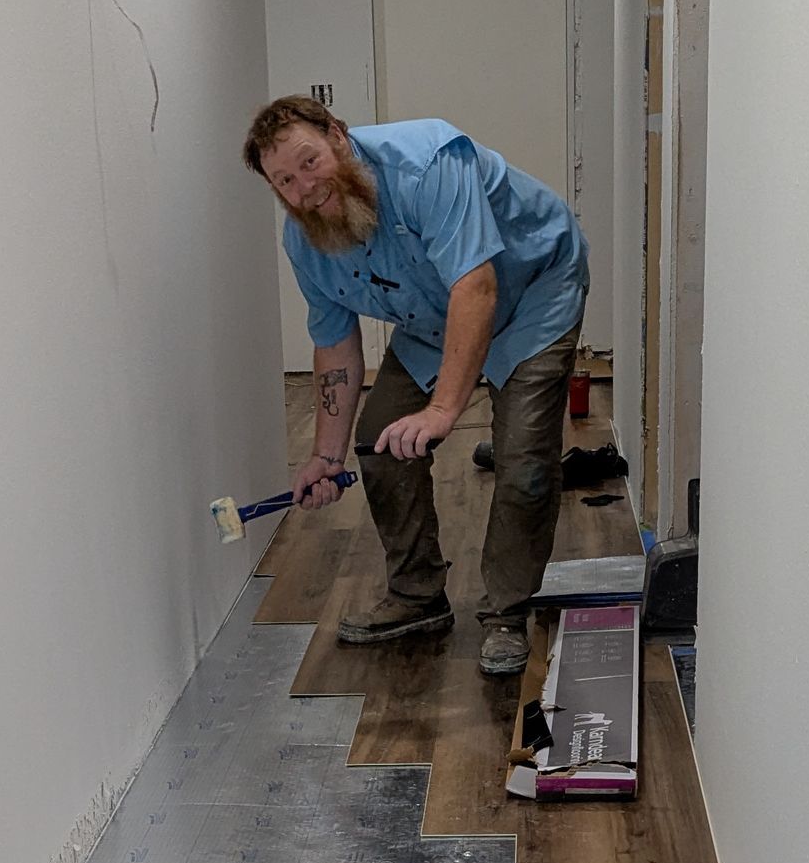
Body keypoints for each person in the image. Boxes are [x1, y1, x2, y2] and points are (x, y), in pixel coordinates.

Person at [244, 97, 589, 678]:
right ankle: (417, 596)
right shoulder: (306, 243)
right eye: (284, 182)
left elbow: (475, 287)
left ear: (338, 135)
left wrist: (443, 410)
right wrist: (325, 458)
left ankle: (507, 612)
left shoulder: (427, 162)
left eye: (309, 162)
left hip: (533, 292)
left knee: (524, 459)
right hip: (434, 317)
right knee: (379, 441)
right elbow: (335, 345)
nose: (303, 187)